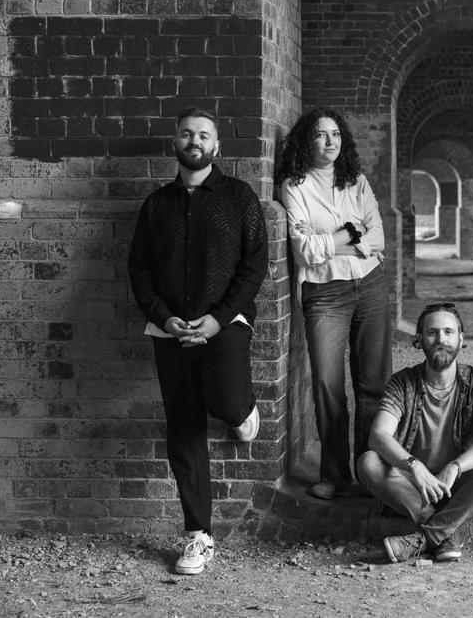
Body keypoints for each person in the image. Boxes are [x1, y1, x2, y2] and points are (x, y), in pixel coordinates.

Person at [128, 107, 269, 575]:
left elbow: (254, 266)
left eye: (204, 135)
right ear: (176, 143)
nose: (195, 141)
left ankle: (242, 410)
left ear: (217, 146)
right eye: (187, 134)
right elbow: (139, 269)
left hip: (224, 323)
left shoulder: (239, 197)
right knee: (184, 428)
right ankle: (198, 535)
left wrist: (217, 319)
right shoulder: (157, 205)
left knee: (226, 401)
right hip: (169, 329)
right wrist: (164, 318)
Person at [277, 107, 390, 501]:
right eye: (320, 134)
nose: (330, 141)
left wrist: (338, 240)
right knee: (328, 386)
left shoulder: (356, 181)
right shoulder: (294, 187)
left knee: (373, 384)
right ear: (306, 141)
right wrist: (351, 233)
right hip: (325, 293)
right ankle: (335, 474)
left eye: (336, 134)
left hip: (371, 284)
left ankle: (371, 471)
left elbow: (378, 237)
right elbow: (304, 251)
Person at [358, 303, 473, 563]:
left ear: (461, 339)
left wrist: (455, 467)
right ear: (419, 340)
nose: (441, 339)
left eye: (448, 332)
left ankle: (427, 537)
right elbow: (379, 436)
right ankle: (443, 530)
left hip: (457, 486)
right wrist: (414, 466)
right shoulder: (403, 383)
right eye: (432, 333)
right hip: (413, 487)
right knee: (368, 462)